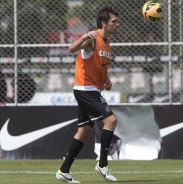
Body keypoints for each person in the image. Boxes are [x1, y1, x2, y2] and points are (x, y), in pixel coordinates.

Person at [56, 7, 119, 183]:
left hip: (92, 89)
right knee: (111, 120)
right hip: (85, 90)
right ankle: (103, 165)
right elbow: (71, 49)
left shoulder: (107, 44)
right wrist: (83, 38)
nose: (117, 24)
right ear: (103, 23)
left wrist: (106, 79)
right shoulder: (92, 38)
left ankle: (64, 171)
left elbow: (101, 65)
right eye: (114, 21)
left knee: (84, 130)